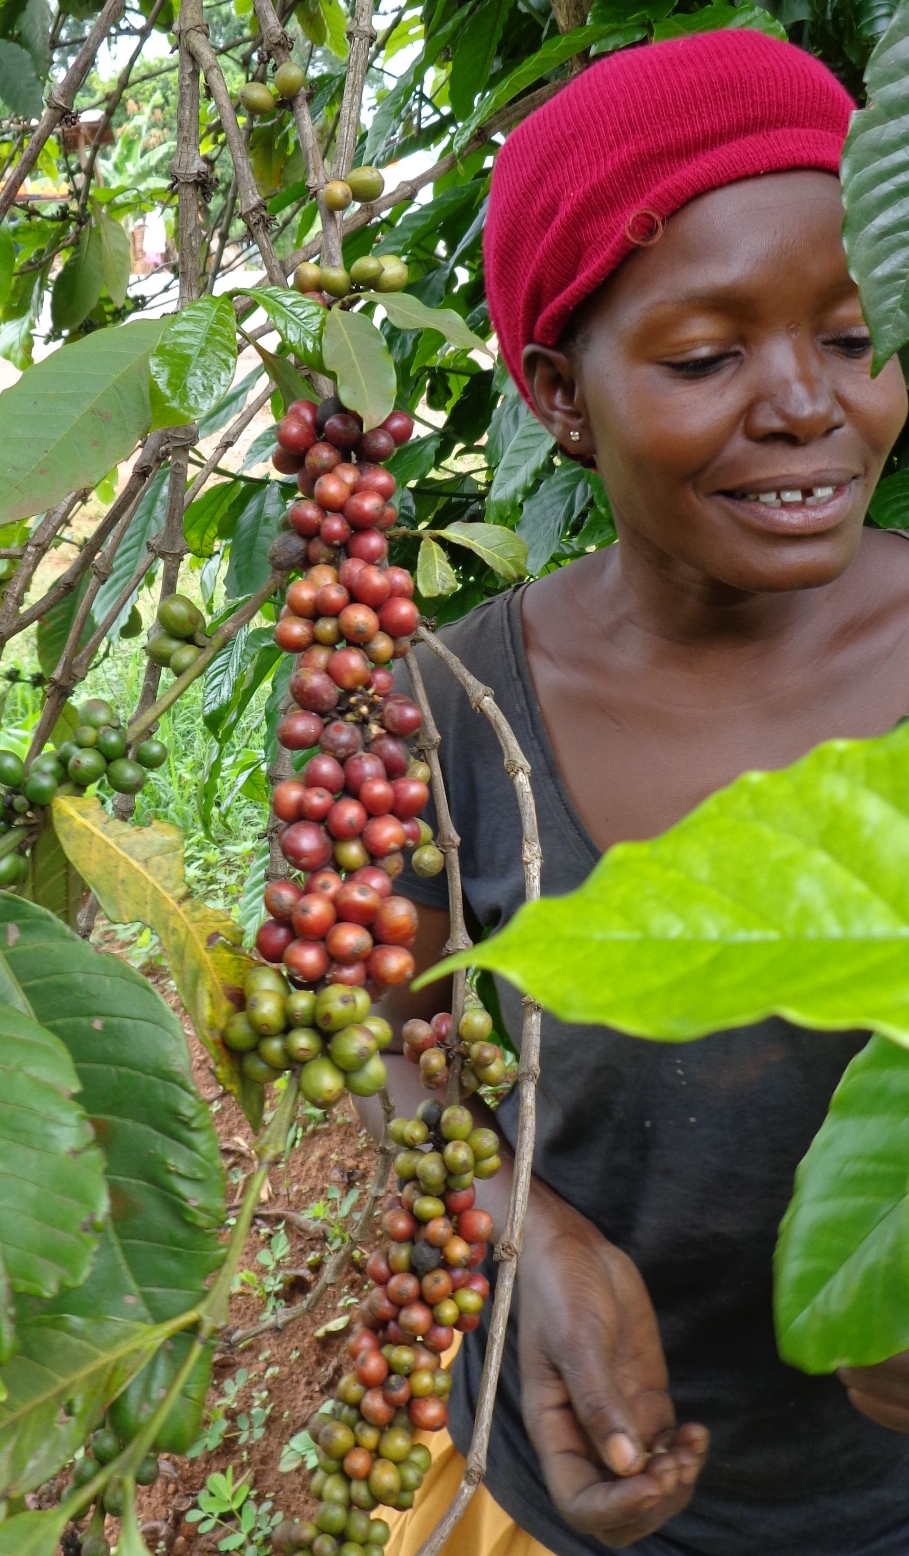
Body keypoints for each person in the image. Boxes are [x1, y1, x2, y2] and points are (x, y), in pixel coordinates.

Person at [358, 27, 909, 1556]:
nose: (805, 404)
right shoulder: (447, 714)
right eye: (705, 357)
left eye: (857, 339)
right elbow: (380, 1024)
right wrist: (519, 1225)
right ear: (554, 392)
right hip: (571, 1481)